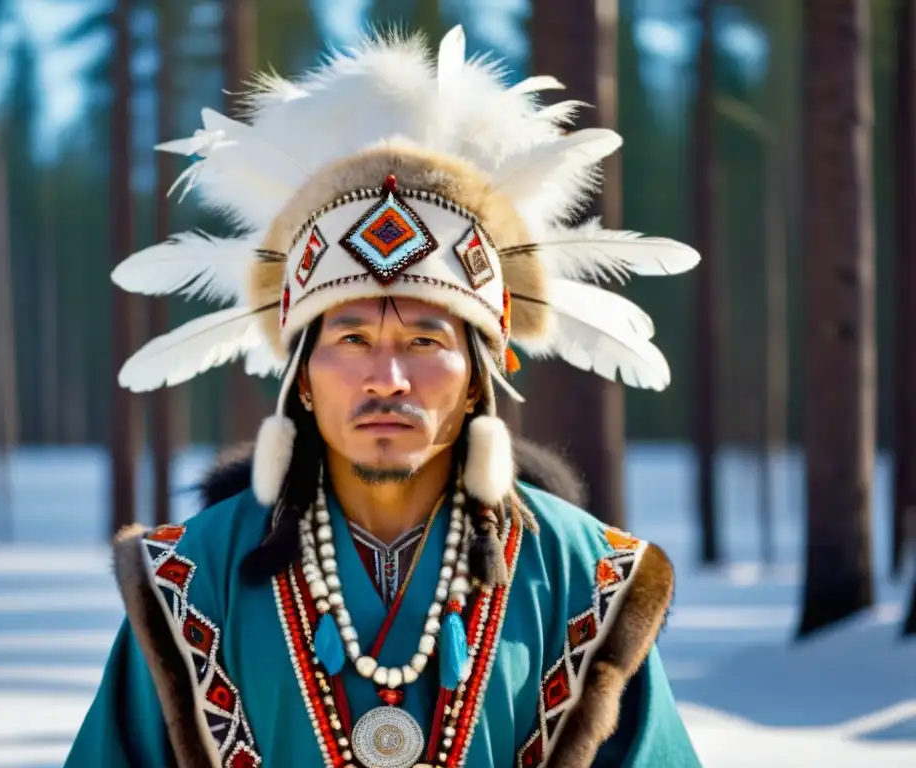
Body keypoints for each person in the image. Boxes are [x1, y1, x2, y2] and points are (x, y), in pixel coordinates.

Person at [65, 26, 703, 768]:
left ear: (480, 379)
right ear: (300, 375)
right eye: (352, 341)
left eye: (427, 344)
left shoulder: (581, 576)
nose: (387, 380)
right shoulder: (191, 580)